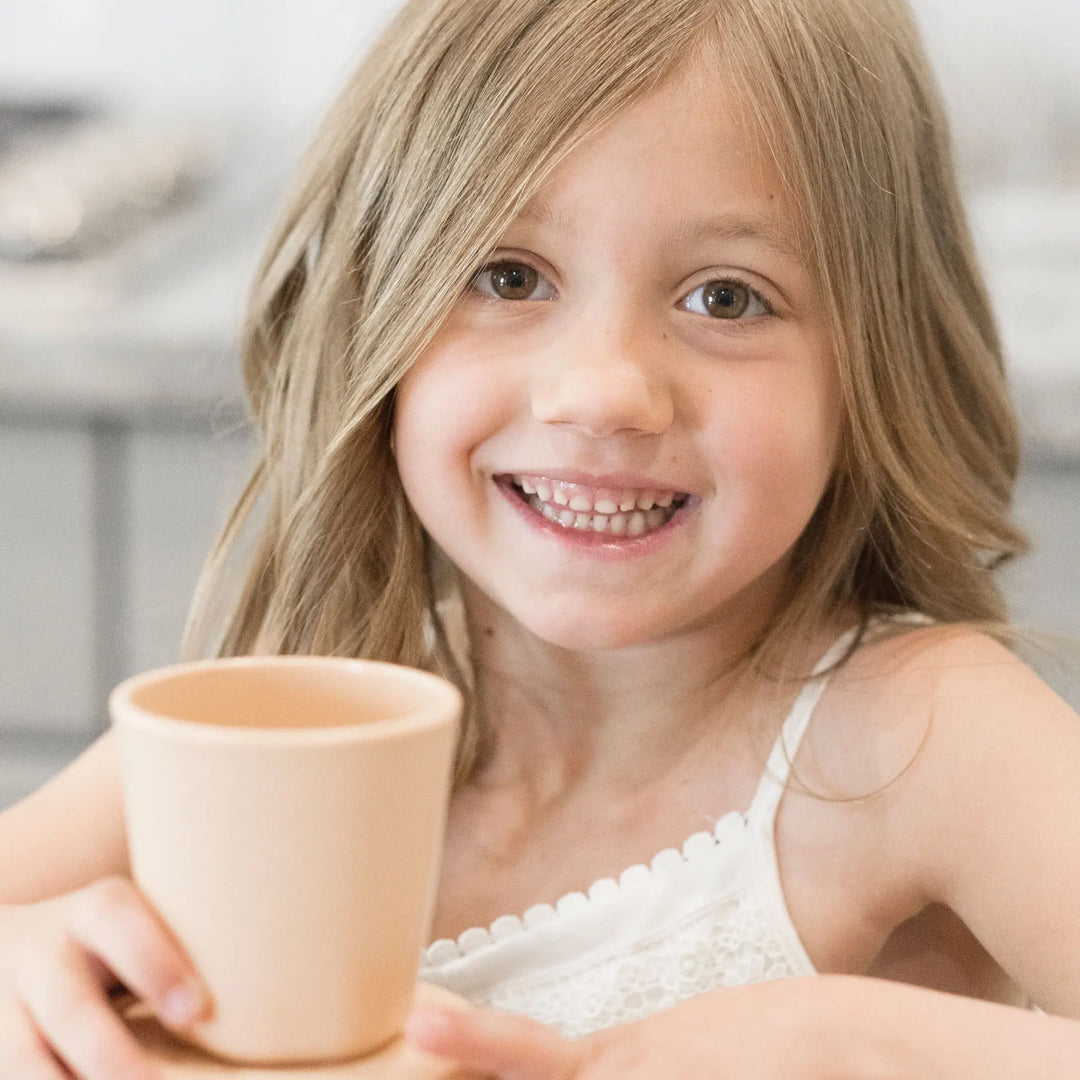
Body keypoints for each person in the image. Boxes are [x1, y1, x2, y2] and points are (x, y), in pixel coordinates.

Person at [1, 0, 1079, 1076]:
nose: (605, 393)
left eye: (726, 297)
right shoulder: (285, 736)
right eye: (509, 277)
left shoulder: (922, 742)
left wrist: (860, 1046)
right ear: (376, 315)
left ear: (877, 360)